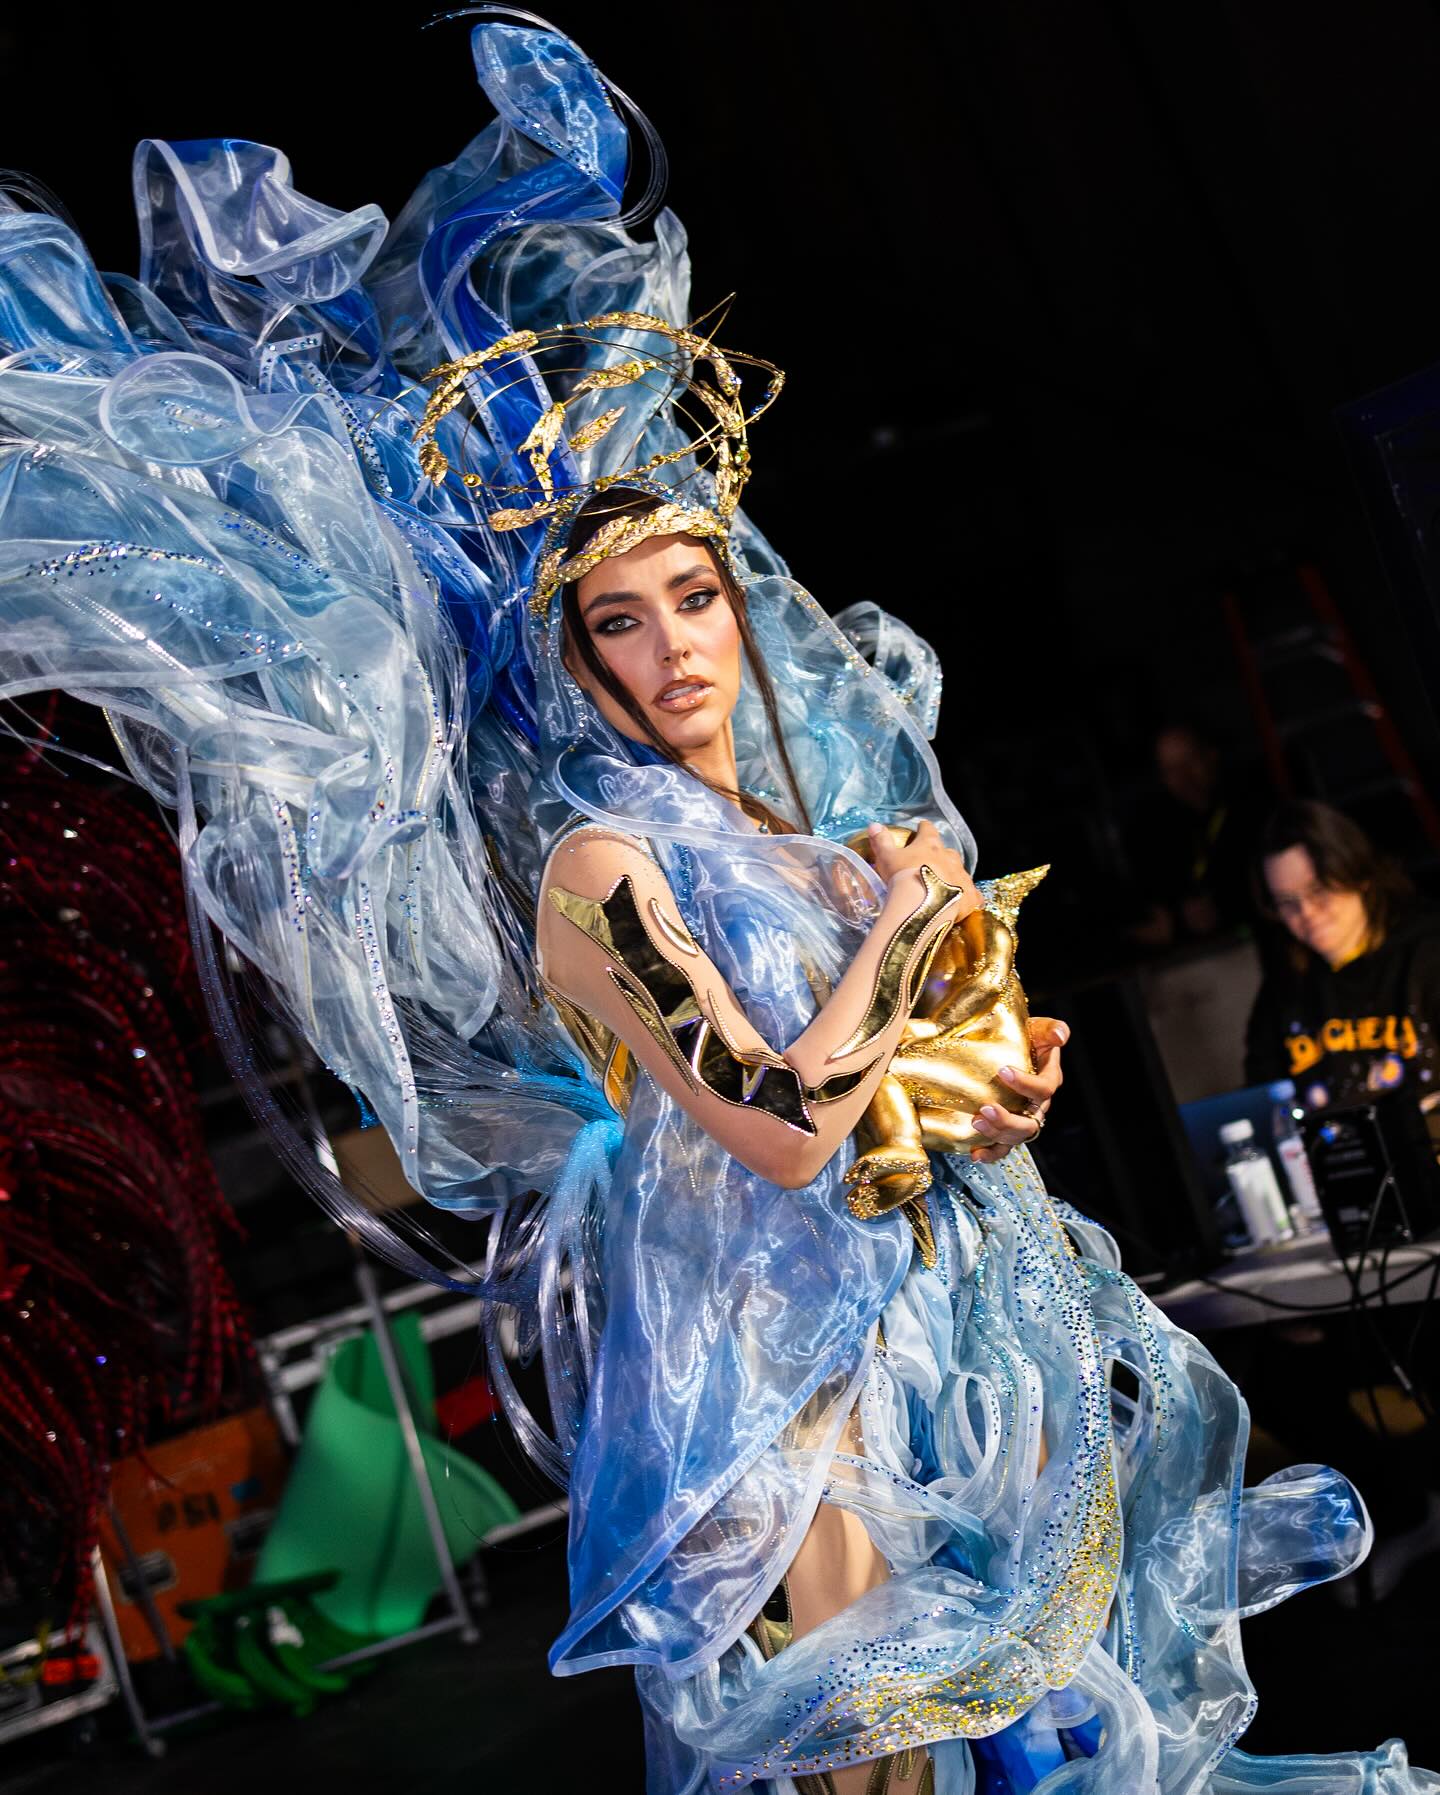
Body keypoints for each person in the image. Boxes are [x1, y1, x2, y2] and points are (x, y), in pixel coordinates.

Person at [0, 16, 1430, 1794]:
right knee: (870, 1758)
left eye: (697, 598)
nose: (676, 646)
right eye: (623, 617)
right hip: (769, 1390)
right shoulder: (597, 872)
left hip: (925, 1342)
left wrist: (985, 1090)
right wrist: (902, 933)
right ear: (570, 653)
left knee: (1020, 1749)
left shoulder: (793, 839)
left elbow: (876, 1108)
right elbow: (777, 1124)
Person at [1245, 799, 1440, 1117]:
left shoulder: (1428, 953)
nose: (1306, 912)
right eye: (1286, 902)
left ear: (1356, 874)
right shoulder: (1283, 988)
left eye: (1318, 890)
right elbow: (1260, 1108)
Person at [1129, 721, 1265, 952]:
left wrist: (1224, 906)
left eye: (1189, 761)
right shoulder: (1156, 829)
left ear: (1211, 755)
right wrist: (1175, 919)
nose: (1183, 776)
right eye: (1171, 770)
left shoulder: (1251, 805)